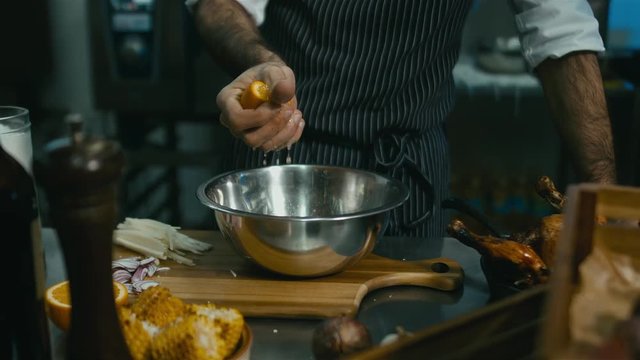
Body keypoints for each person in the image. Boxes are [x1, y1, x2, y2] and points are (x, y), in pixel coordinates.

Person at [187, 0, 617, 239]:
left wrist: (605, 196)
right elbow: (220, 4)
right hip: (285, 162)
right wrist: (263, 63)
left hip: (412, 171)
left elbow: (561, 29)